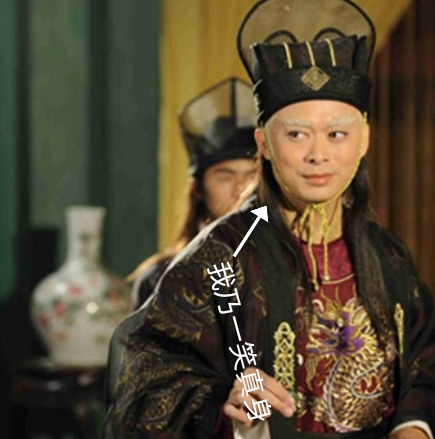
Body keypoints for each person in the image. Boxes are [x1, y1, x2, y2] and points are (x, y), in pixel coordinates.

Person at [103, 0, 435, 438]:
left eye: (337, 134)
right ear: (263, 143)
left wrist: (413, 425)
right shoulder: (223, 254)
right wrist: (222, 405)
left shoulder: (388, 256)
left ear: (364, 140)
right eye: (296, 134)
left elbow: (423, 364)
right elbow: (142, 386)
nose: (318, 154)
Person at [129, 77, 257, 309]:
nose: (241, 187)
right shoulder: (160, 277)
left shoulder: (287, 264)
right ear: (197, 188)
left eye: (252, 175)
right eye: (225, 176)